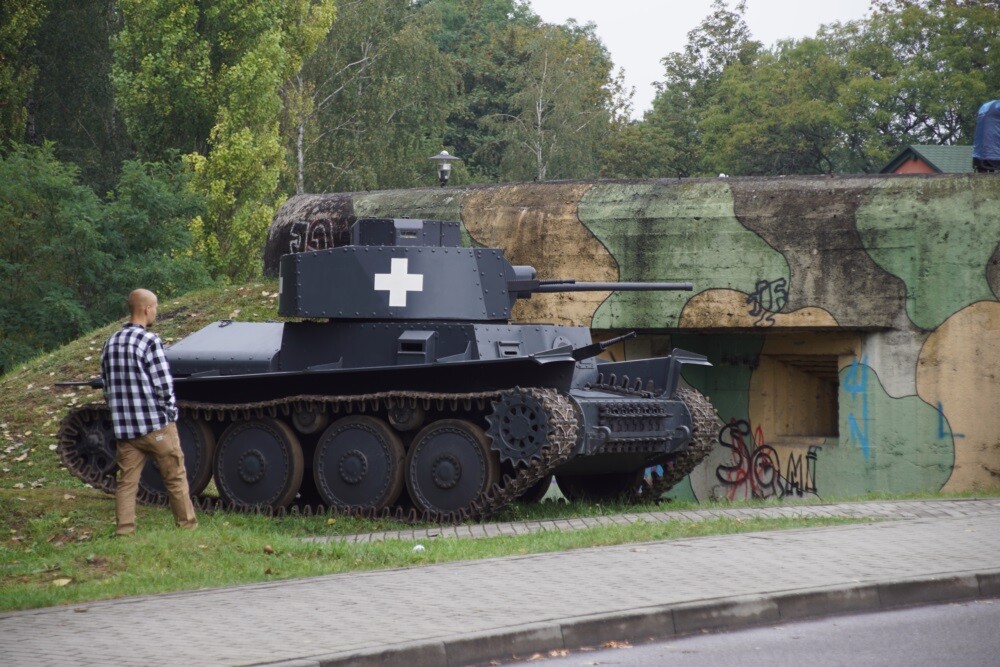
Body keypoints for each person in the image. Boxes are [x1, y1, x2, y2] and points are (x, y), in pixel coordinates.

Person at [100, 288, 197, 535]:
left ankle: (124, 530)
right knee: (175, 476)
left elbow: (106, 386)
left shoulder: (110, 343)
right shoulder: (149, 341)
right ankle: (186, 526)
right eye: (155, 308)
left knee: (126, 483)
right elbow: (163, 385)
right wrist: (170, 414)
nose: (156, 312)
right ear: (147, 309)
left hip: (126, 430)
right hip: (156, 426)